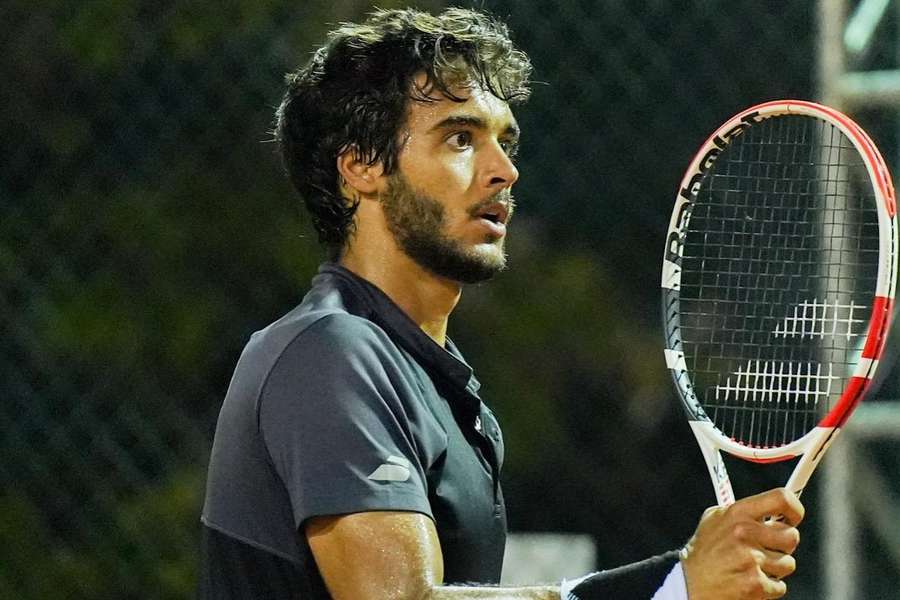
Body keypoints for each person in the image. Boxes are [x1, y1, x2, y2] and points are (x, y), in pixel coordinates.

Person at [198, 7, 805, 599]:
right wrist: (675, 586)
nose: (505, 170)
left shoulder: (437, 385)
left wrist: (681, 585)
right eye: (460, 139)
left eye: (505, 141)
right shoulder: (330, 353)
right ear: (361, 167)